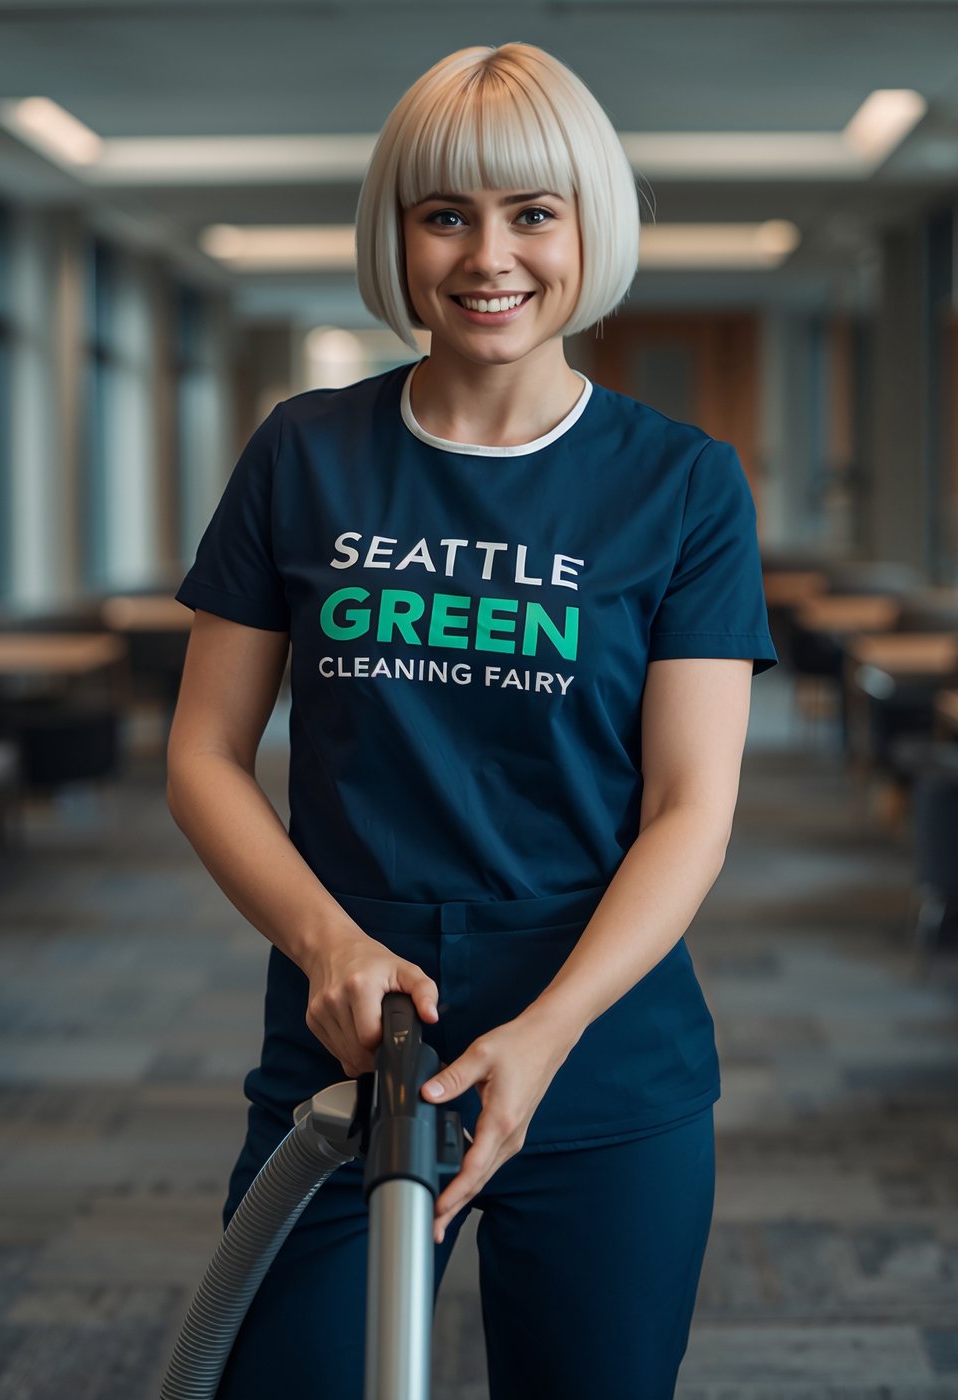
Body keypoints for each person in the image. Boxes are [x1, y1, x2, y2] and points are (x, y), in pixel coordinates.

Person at [166, 41, 774, 1400]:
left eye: (531, 213)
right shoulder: (303, 453)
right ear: (398, 236)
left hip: (599, 1036)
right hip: (353, 1029)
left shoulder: (682, 485)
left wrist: (549, 1032)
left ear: (587, 226)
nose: (489, 257)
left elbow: (691, 809)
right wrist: (327, 945)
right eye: (446, 214)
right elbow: (203, 756)